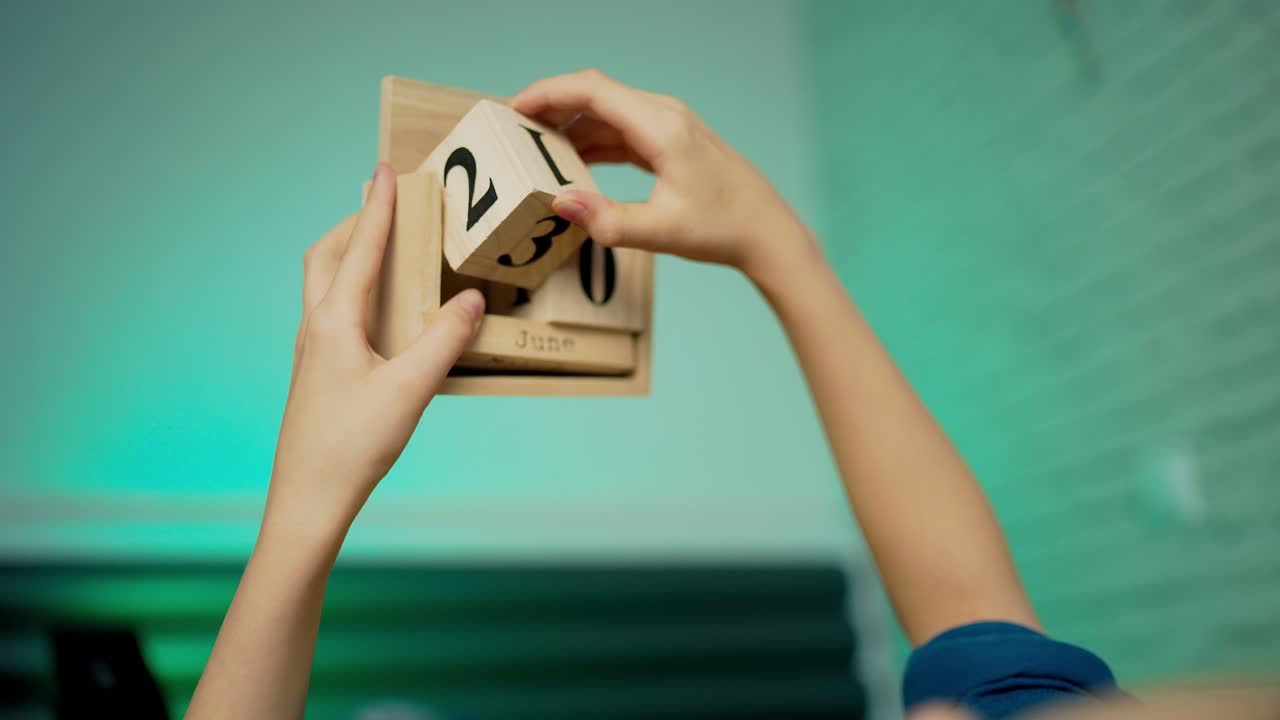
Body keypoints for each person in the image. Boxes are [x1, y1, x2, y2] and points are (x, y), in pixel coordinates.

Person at [183, 71, 1274, 720]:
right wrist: (774, 248)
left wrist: (297, 528)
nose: (934, 710)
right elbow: (972, 617)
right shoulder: (1000, 699)